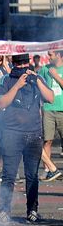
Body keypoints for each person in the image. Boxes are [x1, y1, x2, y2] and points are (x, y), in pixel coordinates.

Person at [0, 53, 54, 224]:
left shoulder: (36, 78)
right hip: (11, 133)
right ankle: (4, 210)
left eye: (25, 64)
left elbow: (50, 98)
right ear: (13, 64)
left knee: (32, 176)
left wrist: (37, 81)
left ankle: (32, 210)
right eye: (19, 65)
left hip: (33, 134)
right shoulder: (6, 80)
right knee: (9, 175)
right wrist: (18, 86)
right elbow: (1, 103)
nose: (22, 68)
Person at [38, 50, 63, 181]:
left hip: (62, 109)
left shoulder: (56, 70)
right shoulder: (44, 69)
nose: (48, 57)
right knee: (47, 140)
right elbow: (38, 86)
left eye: (51, 55)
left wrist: (56, 76)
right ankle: (48, 170)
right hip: (48, 109)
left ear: (59, 55)